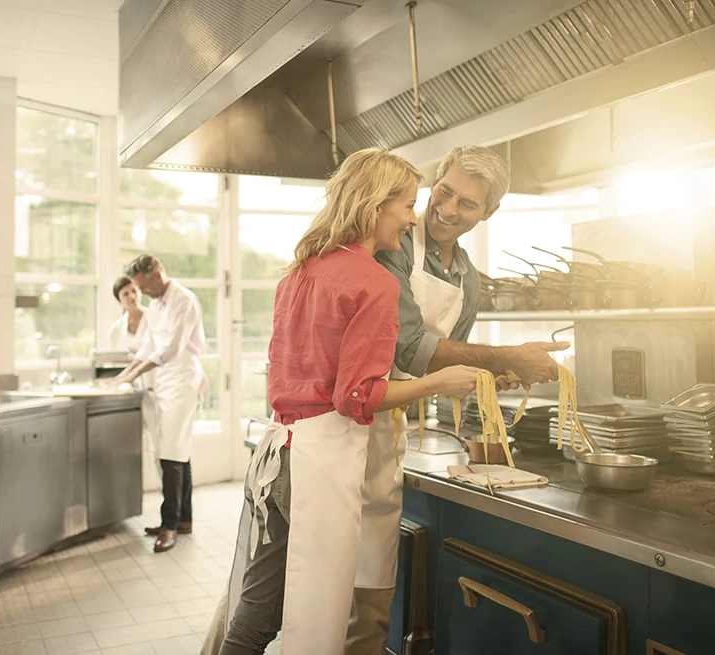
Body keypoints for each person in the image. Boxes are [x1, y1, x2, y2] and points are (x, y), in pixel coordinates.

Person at [217, 148, 486, 655]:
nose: (413, 218)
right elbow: (357, 396)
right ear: (375, 204)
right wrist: (436, 383)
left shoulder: (300, 270)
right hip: (323, 465)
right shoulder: (374, 281)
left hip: (279, 454)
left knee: (258, 611)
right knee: (318, 622)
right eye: (407, 205)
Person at [343, 145, 569, 653]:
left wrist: (490, 387)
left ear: (488, 213)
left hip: (391, 428)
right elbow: (407, 345)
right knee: (332, 581)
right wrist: (503, 356)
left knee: (369, 574)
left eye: (467, 204)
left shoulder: (468, 278)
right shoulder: (393, 245)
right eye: (444, 191)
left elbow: (454, 364)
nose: (447, 209)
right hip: (353, 415)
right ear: (433, 183)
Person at [112, 254, 207, 553]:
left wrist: (133, 375)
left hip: (182, 376)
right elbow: (148, 347)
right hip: (165, 380)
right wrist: (122, 376)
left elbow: (171, 348)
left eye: (144, 286)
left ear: (157, 274)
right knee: (177, 449)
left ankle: (169, 526)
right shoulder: (155, 306)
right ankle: (184, 520)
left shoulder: (184, 300)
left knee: (170, 452)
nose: (143, 293)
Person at [107, 276, 148, 353]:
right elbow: (113, 361)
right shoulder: (115, 330)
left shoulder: (155, 318)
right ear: (119, 301)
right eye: (126, 294)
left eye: (134, 291)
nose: (132, 296)